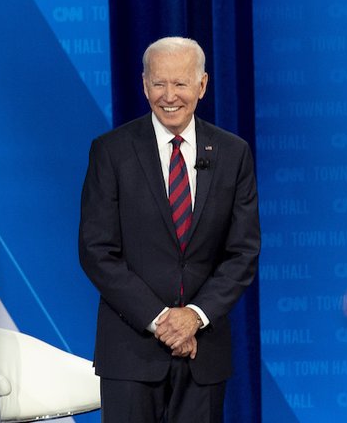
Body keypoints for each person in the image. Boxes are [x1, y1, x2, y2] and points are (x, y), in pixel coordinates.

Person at [78, 36, 261, 422]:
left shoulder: (232, 153)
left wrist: (194, 316)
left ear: (202, 85)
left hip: (202, 352)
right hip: (130, 351)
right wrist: (160, 319)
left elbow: (242, 251)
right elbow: (96, 249)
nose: (169, 95)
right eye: (159, 83)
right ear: (144, 86)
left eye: (180, 83)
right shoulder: (111, 151)